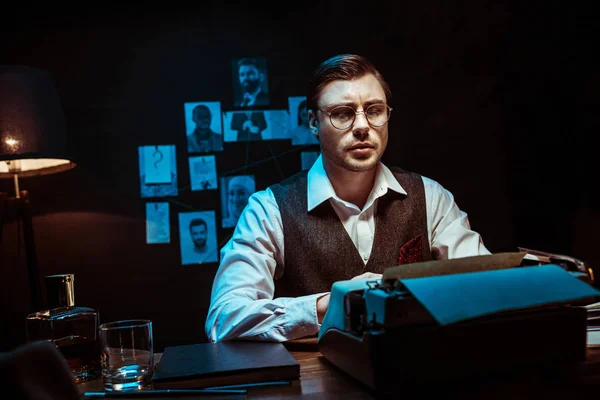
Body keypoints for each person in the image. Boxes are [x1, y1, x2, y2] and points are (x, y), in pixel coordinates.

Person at [205, 54, 491, 342]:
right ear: (313, 122)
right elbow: (223, 317)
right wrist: (328, 306)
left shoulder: (430, 196)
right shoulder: (269, 210)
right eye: (342, 113)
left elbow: (489, 288)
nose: (362, 126)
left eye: (374, 110)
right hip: (315, 383)